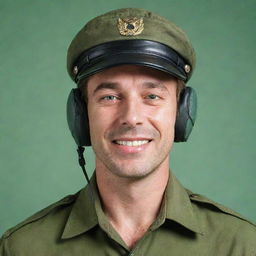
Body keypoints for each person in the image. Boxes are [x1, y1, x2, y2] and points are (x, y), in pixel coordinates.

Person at [1, 7, 255, 256]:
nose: (131, 118)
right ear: (80, 115)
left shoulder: (242, 245)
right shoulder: (21, 248)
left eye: (152, 96)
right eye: (110, 97)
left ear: (181, 113)